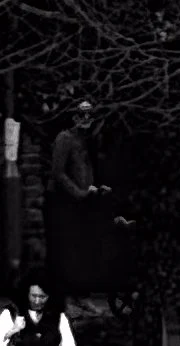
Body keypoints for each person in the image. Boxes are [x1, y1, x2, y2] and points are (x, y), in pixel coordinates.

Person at [44, 96, 113, 299]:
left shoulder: (87, 140)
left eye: (88, 115)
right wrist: (78, 192)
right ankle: (63, 295)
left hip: (81, 201)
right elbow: (58, 173)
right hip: (63, 201)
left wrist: (95, 189)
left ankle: (78, 293)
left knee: (81, 248)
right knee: (65, 248)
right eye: (80, 115)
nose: (85, 118)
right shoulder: (65, 138)